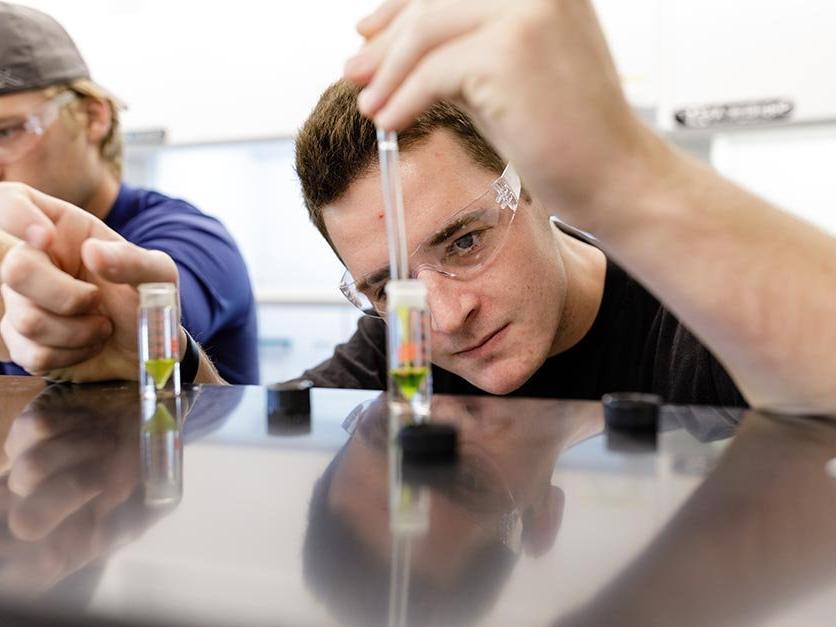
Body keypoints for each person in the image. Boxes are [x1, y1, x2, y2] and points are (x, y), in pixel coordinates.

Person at [1, 0, 834, 413]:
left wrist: (622, 173)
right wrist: (163, 364)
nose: (446, 315)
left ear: (534, 179)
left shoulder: (685, 316)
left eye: (466, 239)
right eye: (385, 285)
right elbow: (281, 429)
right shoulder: (402, 337)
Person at [0, 2, 259, 384]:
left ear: (93, 117)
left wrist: (103, 313)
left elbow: (154, 305)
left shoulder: (190, 237)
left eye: (7, 132)